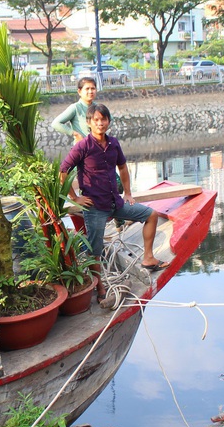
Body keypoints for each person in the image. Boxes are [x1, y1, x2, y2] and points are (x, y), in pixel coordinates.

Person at [60, 103, 166, 297]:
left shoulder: (113, 143)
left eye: (104, 119)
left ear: (108, 122)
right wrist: (75, 198)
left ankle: (148, 258)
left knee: (151, 214)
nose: (100, 123)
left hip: (115, 202)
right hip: (95, 208)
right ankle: (100, 289)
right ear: (89, 123)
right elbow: (63, 170)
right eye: (96, 120)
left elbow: (123, 167)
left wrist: (128, 193)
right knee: (95, 250)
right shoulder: (83, 146)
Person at [50, 77, 97, 144]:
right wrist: (75, 134)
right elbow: (55, 123)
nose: (90, 91)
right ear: (79, 91)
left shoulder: (98, 107)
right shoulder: (75, 107)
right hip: (81, 147)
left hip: (97, 146)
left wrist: (100, 131)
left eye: (93, 88)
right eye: (87, 89)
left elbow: (110, 120)